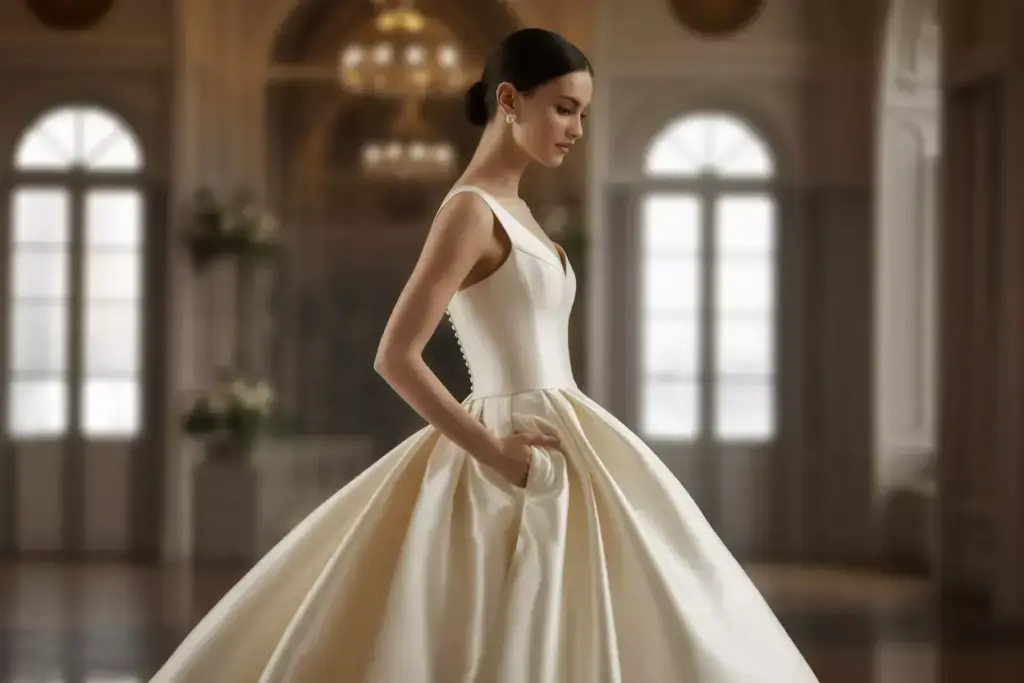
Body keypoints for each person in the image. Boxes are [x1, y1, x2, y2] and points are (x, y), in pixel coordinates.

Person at [149, 28, 820, 683]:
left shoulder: (519, 209)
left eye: (583, 115)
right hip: (507, 446)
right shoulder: (469, 212)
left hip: (568, 432)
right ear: (508, 99)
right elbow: (396, 355)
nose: (576, 130)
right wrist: (496, 452)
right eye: (564, 109)